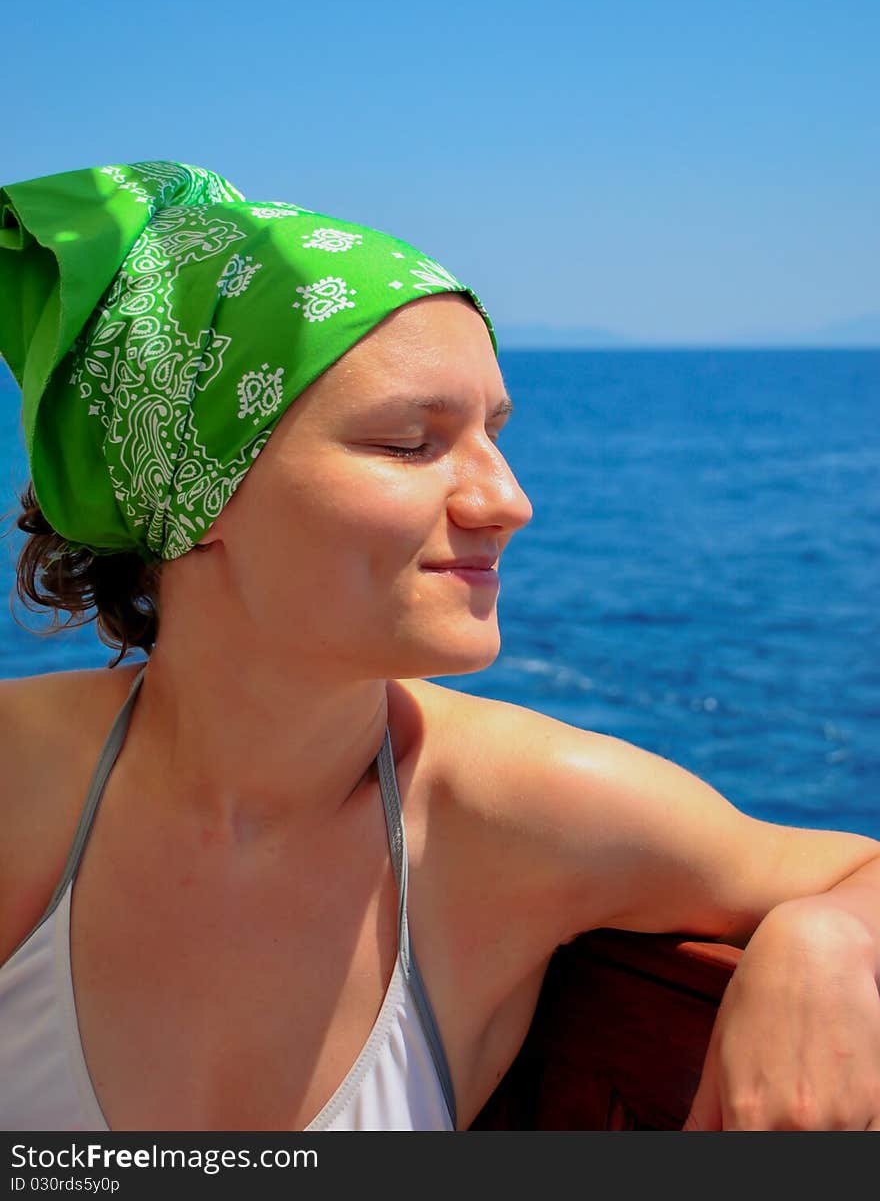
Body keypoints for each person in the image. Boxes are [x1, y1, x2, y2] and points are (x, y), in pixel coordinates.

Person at [0, 161, 878, 1134]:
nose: (508, 501)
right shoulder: (18, 778)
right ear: (200, 494)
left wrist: (827, 932)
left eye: (494, 432)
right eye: (412, 443)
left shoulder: (518, 810)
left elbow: (855, 872)